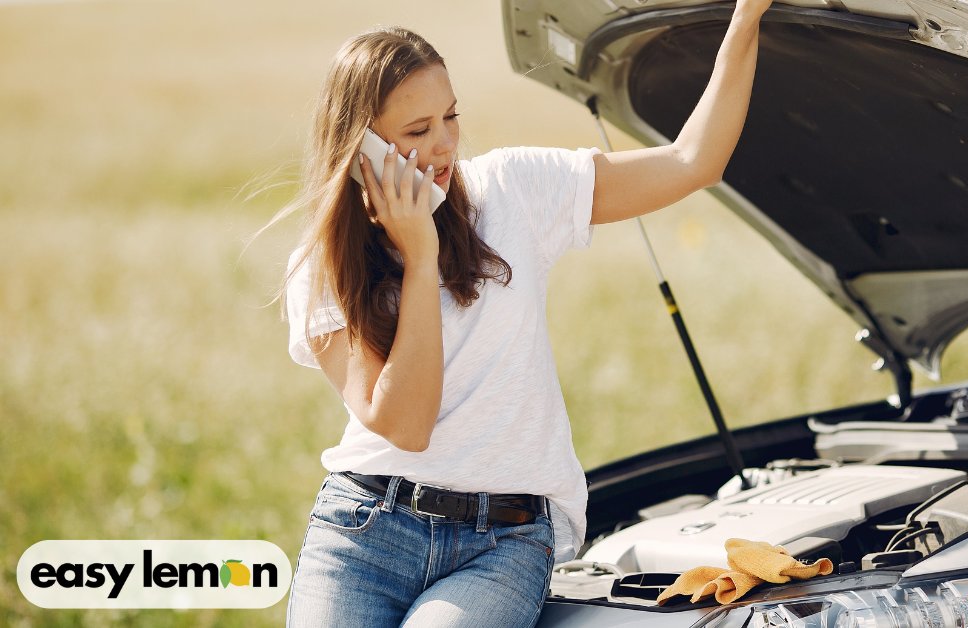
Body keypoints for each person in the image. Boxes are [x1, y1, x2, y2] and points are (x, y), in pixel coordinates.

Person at [281, 1, 772, 625]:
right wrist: (420, 254)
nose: (444, 144)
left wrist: (747, 17)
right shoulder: (321, 267)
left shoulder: (511, 190)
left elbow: (692, 162)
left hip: (502, 543)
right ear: (361, 149)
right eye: (416, 131)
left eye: (451, 117)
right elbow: (406, 426)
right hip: (364, 530)